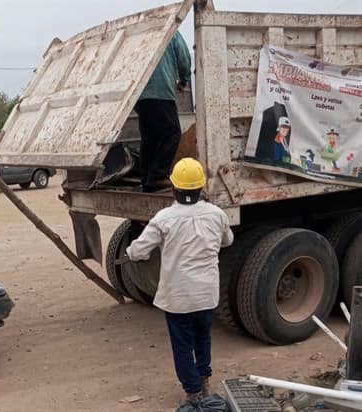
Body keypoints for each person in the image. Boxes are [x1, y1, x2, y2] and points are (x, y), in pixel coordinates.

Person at [125, 158, 234, 404]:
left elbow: (139, 250)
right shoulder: (217, 214)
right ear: (201, 188)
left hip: (178, 297)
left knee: (183, 344)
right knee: (203, 337)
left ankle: (193, 391)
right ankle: (205, 381)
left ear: (174, 189)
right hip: (206, 294)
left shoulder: (164, 218)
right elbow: (228, 241)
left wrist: (130, 253)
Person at [136, 31, 192, 192]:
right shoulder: (172, 32)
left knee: (149, 137)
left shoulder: (143, 34)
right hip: (161, 92)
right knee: (172, 133)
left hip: (139, 95)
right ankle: (158, 176)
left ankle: (146, 179)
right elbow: (184, 59)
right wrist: (184, 80)